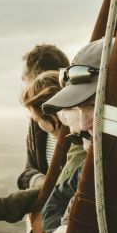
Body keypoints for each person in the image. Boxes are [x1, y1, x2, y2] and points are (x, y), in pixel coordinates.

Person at [0, 71, 86, 233]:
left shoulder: (80, 146)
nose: (37, 125)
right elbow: (31, 174)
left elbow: (55, 192)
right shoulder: (72, 142)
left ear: (51, 117)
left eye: (36, 119)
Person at [41, 38, 105, 233]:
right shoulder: (97, 166)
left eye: (94, 105)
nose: (85, 123)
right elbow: (53, 206)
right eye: (79, 107)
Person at [18, 44, 69, 190]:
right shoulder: (38, 121)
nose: (24, 85)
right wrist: (40, 181)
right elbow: (27, 173)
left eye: (25, 79)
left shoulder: (79, 124)